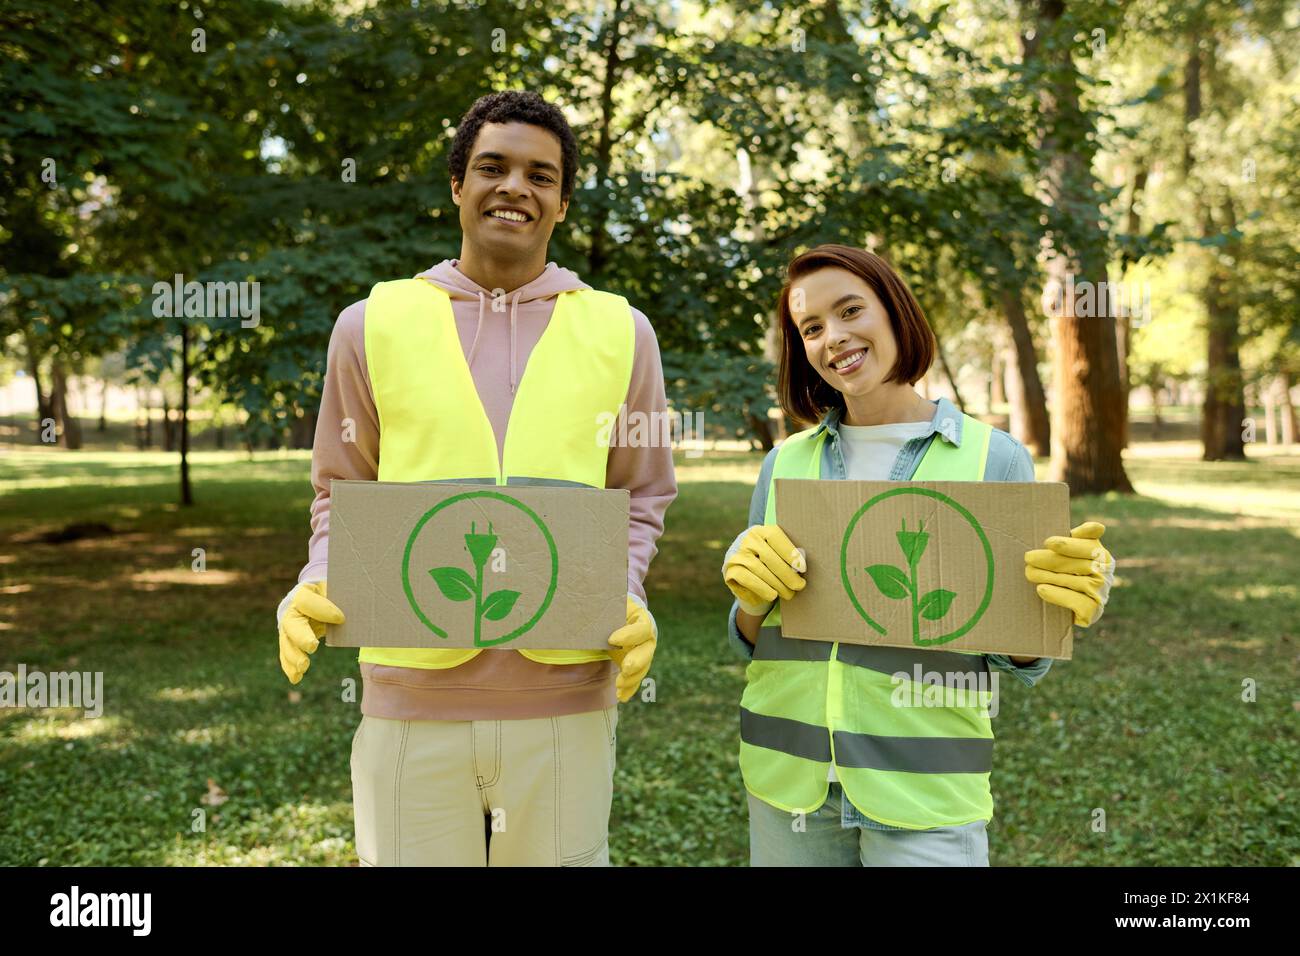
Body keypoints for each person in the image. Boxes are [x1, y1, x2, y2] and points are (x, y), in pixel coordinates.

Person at [275, 91, 677, 866]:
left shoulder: (623, 332)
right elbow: (341, 492)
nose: (514, 187)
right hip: (409, 701)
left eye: (540, 174)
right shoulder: (370, 324)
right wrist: (317, 579)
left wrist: (624, 590)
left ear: (561, 202)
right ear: (457, 185)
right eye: (492, 167)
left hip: (566, 703)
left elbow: (643, 495)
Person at [722, 244, 1114, 866]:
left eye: (851, 311)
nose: (835, 338)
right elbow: (750, 635)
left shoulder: (994, 459)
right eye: (812, 328)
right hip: (787, 782)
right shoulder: (785, 463)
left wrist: (1059, 601)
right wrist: (748, 600)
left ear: (896, 312)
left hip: (924, 787)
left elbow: (1020, 656)